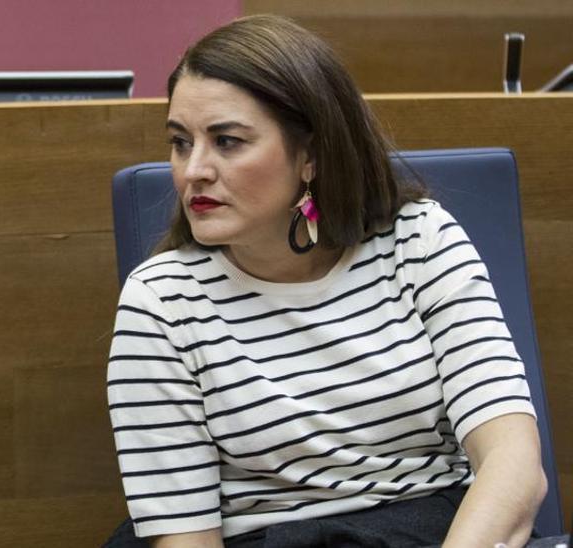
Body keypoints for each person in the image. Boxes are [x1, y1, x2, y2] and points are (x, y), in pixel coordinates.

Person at [105, 15, 545, 548]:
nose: (193, 170)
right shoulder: (160, 301)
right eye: (180, 142)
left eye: (227, 141)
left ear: (310, 156)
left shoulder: (420, 239)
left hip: (436, 531)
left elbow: (513, 464)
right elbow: (185, 540)